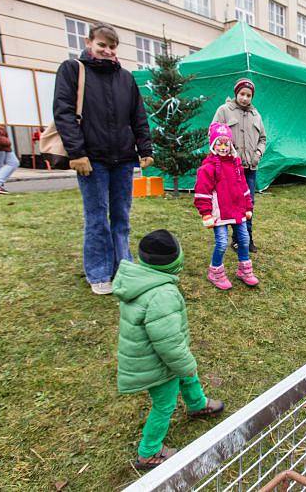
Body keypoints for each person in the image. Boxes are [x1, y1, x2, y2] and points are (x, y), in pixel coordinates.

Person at [53, 22, 153, 295]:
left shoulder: (126, 78)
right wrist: (77, 153)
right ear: (89, 43)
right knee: (96, 217)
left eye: (112, 47)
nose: (107, 51)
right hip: (91, 160)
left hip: (122, 158)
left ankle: (124, 266)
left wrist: (145, 149)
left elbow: (138, 116)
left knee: (122, 216)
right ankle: (98, 271)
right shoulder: (73, 70)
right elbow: (63, 113)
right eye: (102, 46)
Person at [113, 229, 225, 471]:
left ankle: (197, 404)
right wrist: (185, 362)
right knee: (165, 403)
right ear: (176, 263)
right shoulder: (162, 294)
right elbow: (168, 343)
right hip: (157, 362)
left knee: (187, 375)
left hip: (156, 355)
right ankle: (149, 451)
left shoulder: (141, 279)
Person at [194, 123, 259, 289]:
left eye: (226, 143)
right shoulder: (207, 168)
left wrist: (248, 207)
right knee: (222, 243)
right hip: (219, 213)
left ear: (230, 144)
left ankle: (244, 270)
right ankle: (215, 272)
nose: (223, 147)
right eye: (219, 143)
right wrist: (206, 213)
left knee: (244, 239)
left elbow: (244, 187)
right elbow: (202, 193)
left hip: (238, 210)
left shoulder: (236, 164)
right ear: (213, 144)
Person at [212, 78, 267, 254]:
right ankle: (233, 238)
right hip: (230, 169)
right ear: (236, 93)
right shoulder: (224, 110)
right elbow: (213, 133)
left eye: (248, 95)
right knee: (230, 203)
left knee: (248, 203)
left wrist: (258, 154)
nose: (245, 98)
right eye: (242, 94)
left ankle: (247, 239)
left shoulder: (256, 115)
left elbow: (263, 139)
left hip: (250, 169)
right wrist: (227, 154)